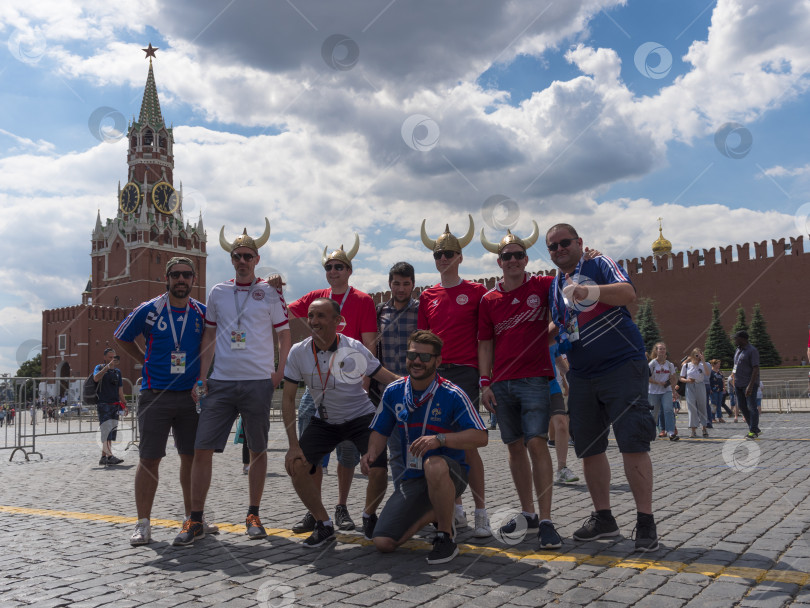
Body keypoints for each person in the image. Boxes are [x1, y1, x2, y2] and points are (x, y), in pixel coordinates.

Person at [173, 220, 292, 546]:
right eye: (237, 255)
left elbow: (284, 333)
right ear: (232, 259)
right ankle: (195, 519)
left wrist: (278, 373)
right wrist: (202, 376)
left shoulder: (270, 292)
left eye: (247, 256)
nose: (242, 260)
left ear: (256, 259)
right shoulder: (218, 292)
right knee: (201, 448)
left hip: (257, 381)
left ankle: (253, 514)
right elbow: (209, 335)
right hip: (221, 382)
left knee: (257, 449)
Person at [546, 223, 658, 552]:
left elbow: (628, 293)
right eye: (552, 247)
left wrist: (589, 292)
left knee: (632, 442)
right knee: (590, 448)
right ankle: (603, 517)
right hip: (582, 372)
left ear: (580, 242)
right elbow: (561, 323)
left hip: (622, 365)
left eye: (564, 243)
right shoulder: (554, 284)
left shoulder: (598, 263)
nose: (558, 250)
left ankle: (645, 521)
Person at [281, 298, 400, 547]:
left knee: (379, 470)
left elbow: (384, 376)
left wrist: (419, 385)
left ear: (337, 322)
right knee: (297, 465)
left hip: (360, 417)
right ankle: (323, 524)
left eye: (321, 316)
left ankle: (368, 515)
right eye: (311, 316)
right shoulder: (299, 351)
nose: (314, 322)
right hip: (323, 419)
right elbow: (289, 397)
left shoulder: (354, 347)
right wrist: (293, 445)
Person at [281, 235, 378, 534]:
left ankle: (342, 506)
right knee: (312, 456)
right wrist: (271, 285)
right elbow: (286, 309)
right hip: (315, 391)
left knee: (347, 454)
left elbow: (370, 345)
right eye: (329, 267)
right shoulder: (316, 296)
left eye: (339, 266)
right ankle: (315, 511)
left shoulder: (362, 300)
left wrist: (363, 384)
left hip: (350, 385)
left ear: (349, 270)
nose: (333, 271)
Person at [115, 256, 213, 546]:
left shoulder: (202, 313)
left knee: (192, 459)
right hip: (155, 395)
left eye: (186, 275)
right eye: (175, 275)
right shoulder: (150, 310)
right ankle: (143, 524)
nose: (181, 280)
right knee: (148, 460)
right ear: (166, 279)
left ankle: (194, 519)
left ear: (193, 280)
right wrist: (143, 358)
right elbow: (121, 336)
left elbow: (211, 347)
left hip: (190, 398)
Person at [367, 330, 488, 564]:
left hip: (450, 474)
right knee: (383, 542)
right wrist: (371, 453)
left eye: (424, 357)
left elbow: (480, 436)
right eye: (412, 355)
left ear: (438, 361)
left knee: (433, 464)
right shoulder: (394, 392)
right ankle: (437, 509)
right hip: (413, 477)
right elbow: (379, 431)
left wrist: (440, 439)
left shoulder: (453, 394)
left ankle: (445, 536)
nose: (417, 362)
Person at [478, 224, 562, 548]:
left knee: (537, 444)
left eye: (517, 255)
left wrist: (545, 336)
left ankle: (546, 519)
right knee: (513, 447)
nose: (512, 260)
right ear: (499, 262)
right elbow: (485, 343)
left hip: (535, 379)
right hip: (501, 383)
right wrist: (485, 382)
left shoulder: (543, 286)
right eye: (506, 256)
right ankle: (527, 513)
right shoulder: (489, 300)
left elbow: (564, 311)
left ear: (526, 258)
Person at [418, 216, 491, 537]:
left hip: (465, 374)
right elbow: (423, 340)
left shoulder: (477, 292)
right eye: (438, 254)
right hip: (435, 377)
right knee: (442, 446)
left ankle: (481, 512)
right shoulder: (427, 296)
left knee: (468, 443)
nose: (443, 259)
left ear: (460, 257)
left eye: (449, 253)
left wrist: (487, 378)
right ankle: (456, 509)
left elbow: (486, 338)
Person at [372, 262, 420, 490]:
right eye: (397, 283)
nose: (401, 288)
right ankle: (403, 502)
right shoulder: (380, 312)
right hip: (389, 394)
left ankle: (423, 502)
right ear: (389, 284)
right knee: (396, 453)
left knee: (420, 449)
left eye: (406, 284)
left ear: (413, 284)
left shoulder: (421, 310)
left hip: (418, 392)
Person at [547, 344, 579, 481]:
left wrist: (571, 378)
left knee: (561, 423)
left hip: (552, 386)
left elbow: (558, 359)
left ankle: (562, 468)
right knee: (534, 434)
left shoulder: (551, 337)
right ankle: (538, 466)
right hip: (530, 386)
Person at [93, 348, 126, 466]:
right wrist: (107, 367)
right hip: (104, 404)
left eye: (114, 357)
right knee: (106, 431)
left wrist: (124, 404)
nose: (112, 359)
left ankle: (103, 457)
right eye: (110, 357)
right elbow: (96, 378)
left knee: (111, 432)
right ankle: (110, 456)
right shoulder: (100, 367)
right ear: (105, 357)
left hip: (115, 405)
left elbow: (120, 390)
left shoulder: (117, 372)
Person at [731, 330, 761, 439]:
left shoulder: (752, 351)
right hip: (738, 384)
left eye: (736, 338)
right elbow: (735, 365)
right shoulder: (737, 350)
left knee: (752, 407)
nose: (734, 340)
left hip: (748, 384)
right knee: (743, 407)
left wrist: (750, 385)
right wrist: (733, 376)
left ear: (743, 339)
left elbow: (755, 368)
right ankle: (754, 428)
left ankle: (753, 430)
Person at [648, 342, 679, 441]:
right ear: (656, 351)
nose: (662, 350)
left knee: (668, 410)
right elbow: (646, 377)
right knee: (654, 413)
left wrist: (673, 390)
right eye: (660, 349)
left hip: (666, 391)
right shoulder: (652, 363)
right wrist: (658, 382)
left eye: (663, 349)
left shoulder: (669, 364)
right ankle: (650, 432)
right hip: (653, 391)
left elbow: (674, 378)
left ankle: (671, 432)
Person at [679, 349, 710, 438]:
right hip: (690, 386)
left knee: (702, 406)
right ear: (692, 356)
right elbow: (681, 378)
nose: (698, 357)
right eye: (696, 355)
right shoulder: (687, 365)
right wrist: (687, 380)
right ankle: (693, 430)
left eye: (700, 355)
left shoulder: (703, 365)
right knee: (691, 408)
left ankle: (704, 428)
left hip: (700, 385)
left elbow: (707, 374)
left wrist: (703, 360)